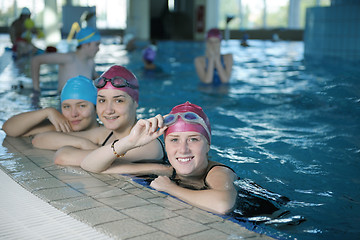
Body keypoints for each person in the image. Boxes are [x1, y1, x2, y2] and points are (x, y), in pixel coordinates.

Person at [80, 101, 238, 215]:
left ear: (208, 145)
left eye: (193, 139)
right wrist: (129, 142)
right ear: (166, 145)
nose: (183, 149)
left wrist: (171, 188)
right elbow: (90, 165)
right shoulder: (165, 170)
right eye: (174, 140)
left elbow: (222, 204)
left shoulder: (218, 172)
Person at [31, 65, 166, 167]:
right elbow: (40, 139)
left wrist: (94, 151)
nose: (108, 110)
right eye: (102, 100)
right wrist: (83, 143)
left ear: (135, 102)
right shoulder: (106, 134)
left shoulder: (148, 143)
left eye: (118, 100)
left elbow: (65, 157)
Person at [2, 75, 99, 137]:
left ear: (96, 107)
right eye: (66, 107)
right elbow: (9, 129)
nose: (73, 114)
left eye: (81, 106)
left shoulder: (107, 133)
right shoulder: (60, 128)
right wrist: (47, 111)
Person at [30, 26, 101, 92]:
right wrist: (36, 90)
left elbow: (95, 77)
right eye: (96, 45)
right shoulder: (69, 59)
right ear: (85, 45)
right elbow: (36, 60)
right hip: (63, 102)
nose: (98, 49)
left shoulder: (90, 62)